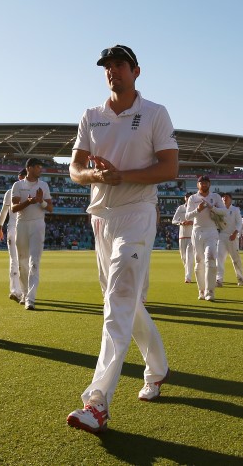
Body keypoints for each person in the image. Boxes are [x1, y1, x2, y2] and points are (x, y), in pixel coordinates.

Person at [66, 44, 177, 434]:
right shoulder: (91, 115)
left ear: (136, 71)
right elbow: (75, 168)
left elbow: (169, 166)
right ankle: (158, 368)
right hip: (101, 216)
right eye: (107, 67)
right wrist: (96, 177)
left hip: (138, 212)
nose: (113, 71)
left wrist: (123, 175)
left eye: (120, 65)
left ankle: (97, 402)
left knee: (117, 301)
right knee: (121, 300)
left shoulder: (154, 113)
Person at [10, 158, 53, 310]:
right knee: (22, 261)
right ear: (29, 168)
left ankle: (31, 298)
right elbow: (14, 208)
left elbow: (50, 208)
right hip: (21, 224)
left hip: (38, 224)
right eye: (38, 167)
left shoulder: (44, 185)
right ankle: (24, 293)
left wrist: (40, 201)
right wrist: (28, 202)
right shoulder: (18, 185)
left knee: (34, 262)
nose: (40, 169)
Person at [186, 176, 228, 301]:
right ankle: (202, 290)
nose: (204, 184)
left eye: (206, 182)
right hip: (197, 231)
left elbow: (224, 211)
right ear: (197, 184)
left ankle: (210, 291)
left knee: (210, 258)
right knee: (199, 262)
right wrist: (198, 210)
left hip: (211, 231)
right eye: (201, 183)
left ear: (209, 184)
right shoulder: (193, 198)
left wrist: (212, 207)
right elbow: (188, 216)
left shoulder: (215, 197)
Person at [0, 168, 27, 303]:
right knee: (14, 260)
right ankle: (15, 291)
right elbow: (4, 211)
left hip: (26, 229)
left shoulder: (32, 192)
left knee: (24, 261)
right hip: (12, 229)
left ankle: (25, 292)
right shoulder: (10, 193)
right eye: (22, 177)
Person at [216, 193, 243, 287]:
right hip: (222, 236)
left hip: (232, 236)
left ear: (231, 199)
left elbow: (239, 223)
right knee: (219, 258)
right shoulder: (219, 209)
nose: (224, 198)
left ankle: (240, 278)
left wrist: (235, 233)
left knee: (235, 259)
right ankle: (219, 279)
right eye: (223, 197)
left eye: (227, 197)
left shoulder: (235, 209)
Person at [172, 192, 194, 283]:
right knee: (183, 257)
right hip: (182, 236)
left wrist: (191, 222)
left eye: (189, 197)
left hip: (192, 235)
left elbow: (199, 220)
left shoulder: (195, 208)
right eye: (186, 197)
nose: (188, 198)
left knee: (189, 256)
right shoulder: (180, 208)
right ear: (185, 198)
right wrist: (181, 223)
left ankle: (188, 277)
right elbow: (174, 220)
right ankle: (188, 273)